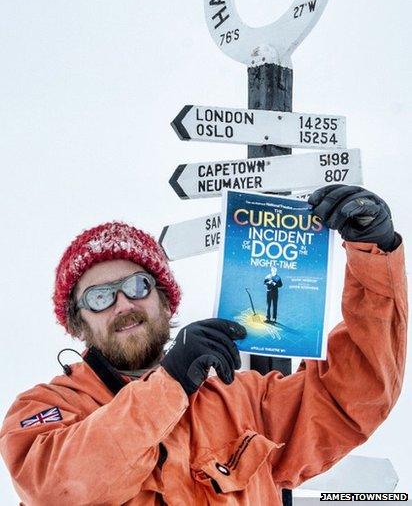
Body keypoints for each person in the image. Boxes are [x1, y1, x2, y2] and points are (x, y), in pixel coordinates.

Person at [0, 185, 407, 505]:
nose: (123, 303)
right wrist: (171, 382)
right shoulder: (45, 409)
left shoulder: (242, 399)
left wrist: (373, 254)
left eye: (137, 286)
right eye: (100, 297)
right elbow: (59, 489)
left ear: (164, 300)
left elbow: (352, 398)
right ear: (78, 322)